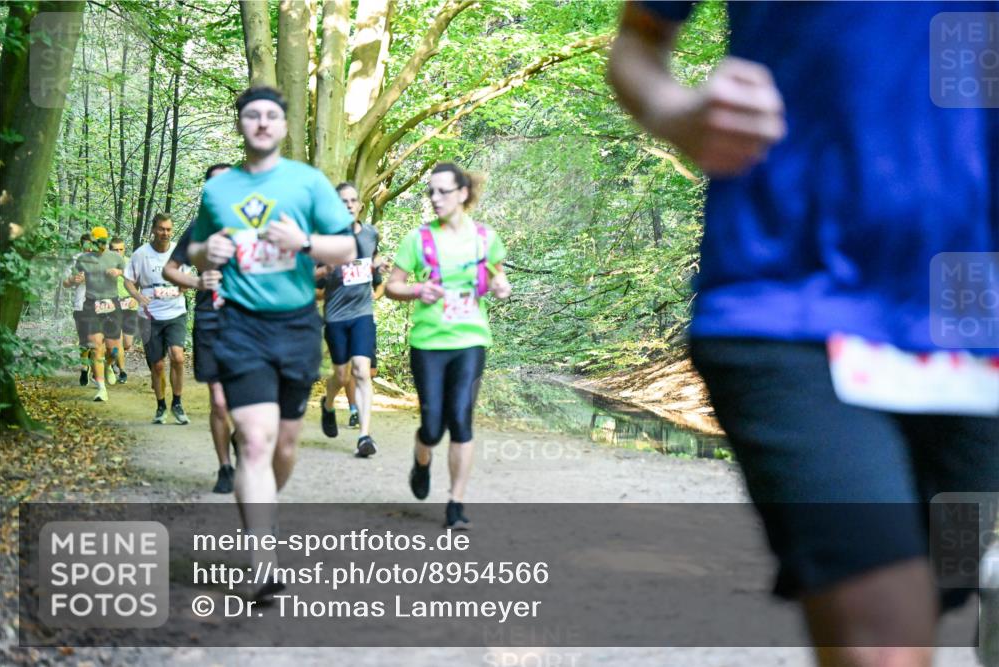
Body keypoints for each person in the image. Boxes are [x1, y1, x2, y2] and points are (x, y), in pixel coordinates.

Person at [609, 3, 998, 666]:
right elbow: (637, 43)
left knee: (940, 582)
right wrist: (680, 114)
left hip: (971, 319)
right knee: (887, 639)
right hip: (787, 297)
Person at [189, 85, 355, 599]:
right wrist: (207, 252)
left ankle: (263, 510)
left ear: (283, 126)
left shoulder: (307, 182)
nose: (261, 123)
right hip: (240, 326)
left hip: (296, 325)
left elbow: (347, 246)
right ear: (240, 124)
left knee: (284, 445)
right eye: (252, 115)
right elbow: (195, 248)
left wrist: (303, 242)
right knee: (255, 442)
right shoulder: (219, 191)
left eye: (271, 115)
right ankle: (263, 562)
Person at [386, 162, 512, 529]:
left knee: (460, 418)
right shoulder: (418, 239)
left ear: (463, 193)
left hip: (470, 339)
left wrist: (502, 287)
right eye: (431, 192)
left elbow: (499, 279)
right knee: (432, 426)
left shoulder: (486, 239)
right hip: (428, 342)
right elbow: (392, 286)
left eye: (443, 191)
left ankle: (456, 503)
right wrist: (417, 289)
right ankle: (421, 459)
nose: (435, 198)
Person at [163, 162, 236, 494]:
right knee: (219, 401)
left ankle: (241, 435)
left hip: (249, 323)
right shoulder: (199, 228)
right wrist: (196, 282)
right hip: (210, 320)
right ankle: (225, 467)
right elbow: (169, 269)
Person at [318, 181, 386, 457]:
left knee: (361, 370)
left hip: (362, 314)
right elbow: (311, 283)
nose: (348, 205)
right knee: (341, 374)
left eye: (352, 201)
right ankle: (328, 404)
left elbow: (374, 269)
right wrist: (328, 270)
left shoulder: (370, 234)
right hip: (335, 316)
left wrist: (378, 270)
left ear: (360, 206)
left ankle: (364, 436)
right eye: (342, 201)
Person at [125, 213, 191, 425]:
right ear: (154, 230)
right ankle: (161, 406)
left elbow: (186, 279)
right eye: (161, 229)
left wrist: (181, 288)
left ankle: (177, 403)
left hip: (175, 313)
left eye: (169, 229)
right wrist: (137, 296)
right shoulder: (141, 254)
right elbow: (128, 281)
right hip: (149, 316)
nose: (165, 233)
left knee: (178, 357)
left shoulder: (179, 253)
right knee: (158, 365)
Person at [74, 226, 126, 402]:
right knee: (95, 346)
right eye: (98, 242)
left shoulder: (115, 258)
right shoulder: (83, 259)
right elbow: (72, 278)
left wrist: (119, 272)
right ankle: (101, 389)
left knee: (113, 350)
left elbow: (131, 275)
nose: (101, 245)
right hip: (91, 305)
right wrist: (76, 279)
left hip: (112, 304)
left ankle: (108, 365)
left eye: (104, 241)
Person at [63, 232, 93, 387]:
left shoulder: (101, 259)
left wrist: (89, 278)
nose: (89, 247)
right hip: (80, 304)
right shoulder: (75, 259)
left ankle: (99, 365)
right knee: (84, 340)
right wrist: (73, 280)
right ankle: (84, 368)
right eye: (86, 244)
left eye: (91, 243)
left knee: (97, 338)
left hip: (100, 305)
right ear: (81, 245)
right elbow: (65, 283)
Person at [108, 237, 136, 384]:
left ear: (124, 249)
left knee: (127, 343)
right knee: (117, 340)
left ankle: (111, 361)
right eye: (115, 250)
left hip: (130, 305)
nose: (118, 252)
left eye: (121, 249)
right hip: (113, 306)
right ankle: (122, 370)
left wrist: (136, 298)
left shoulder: (131, 262)